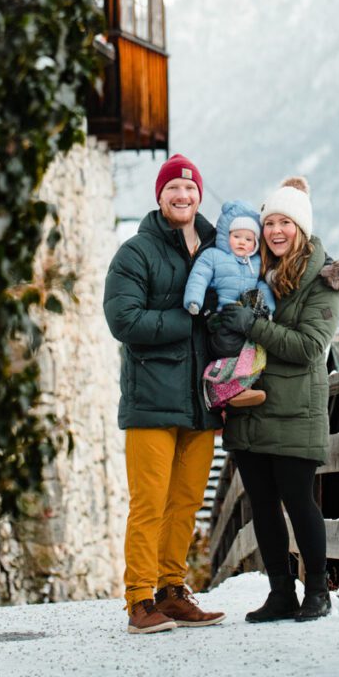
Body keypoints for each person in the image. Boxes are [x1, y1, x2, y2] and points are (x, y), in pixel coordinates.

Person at [217, 176, 339, 622]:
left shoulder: (325, 280)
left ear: (302, 227)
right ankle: (281, 592)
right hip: (251, 404)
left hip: (296, 408)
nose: (276, 231)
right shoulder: (253, 270)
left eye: (286, 222)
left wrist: (251, 325)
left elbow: (308, 347)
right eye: (270, 222)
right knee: (262, 504)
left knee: (299, 500)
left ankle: (318, 589)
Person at [103, 153, 225, 634]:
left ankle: (172, 592)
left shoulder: (217, 249)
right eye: (173, 188)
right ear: (160, 197)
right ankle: (139, 599)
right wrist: (188, 318)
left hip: (200, 401)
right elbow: (124, 320)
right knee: (150, 503)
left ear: (198, 195)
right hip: (152, 400)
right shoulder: (136, 252)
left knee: (186, 502)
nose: (183, 195)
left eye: (190, 188)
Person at [184, 200, 276, 409]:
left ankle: (237, 388)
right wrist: (194, 301)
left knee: (255, 353)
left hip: (247, 320)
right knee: (230, 347)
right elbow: (199, 276)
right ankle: (218, 386)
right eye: (237, 237)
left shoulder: (256, 264)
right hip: (222, 319)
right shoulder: (214, 257)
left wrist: (268, 310)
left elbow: (264, 287)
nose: (242, 242)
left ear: (256, 243)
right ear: (226, 237)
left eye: (249, 239)